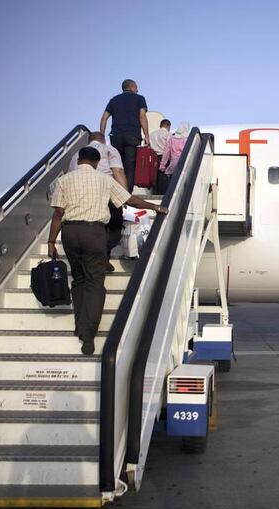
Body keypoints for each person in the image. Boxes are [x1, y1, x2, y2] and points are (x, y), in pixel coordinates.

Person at [48, 146, 168, 355]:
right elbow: (129, 199)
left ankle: (80, 325)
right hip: (94, 233)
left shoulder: (64, 180)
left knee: (78, 280)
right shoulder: (104, 179)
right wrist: (154, 207)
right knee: (95, 283)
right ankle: (88, 335)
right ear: (96, 162)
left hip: (70, 232)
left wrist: (51, 242)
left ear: (79, 161)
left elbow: (58, 213)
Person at [68, 132, 128, 263]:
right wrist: (124, 196)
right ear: (104, 140)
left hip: (80, 197)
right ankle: (102, 254)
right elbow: (118, 171)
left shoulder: (76, 154)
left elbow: (70, 176)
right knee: (114, 226)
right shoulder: (109, 149)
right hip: (105, 192)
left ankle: (94, 256)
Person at [100, 79, 150, 193]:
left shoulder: (114, 100)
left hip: (116, 136)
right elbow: (142, 116)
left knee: (116, 164)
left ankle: (116, 191)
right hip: (132, 136)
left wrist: (102, 135)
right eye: (136, 87)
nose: (138, 90)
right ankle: (127, 194)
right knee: (130, 166)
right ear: (131, 87)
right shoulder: (139, 98)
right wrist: (146, 135)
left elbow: (104, 117)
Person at [158, 123, 189, 192]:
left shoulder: (172, 139)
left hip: (173, 163)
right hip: (184, 162)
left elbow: (166, 153)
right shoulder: (188, 139)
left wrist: (162, 165)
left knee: (172, 182)